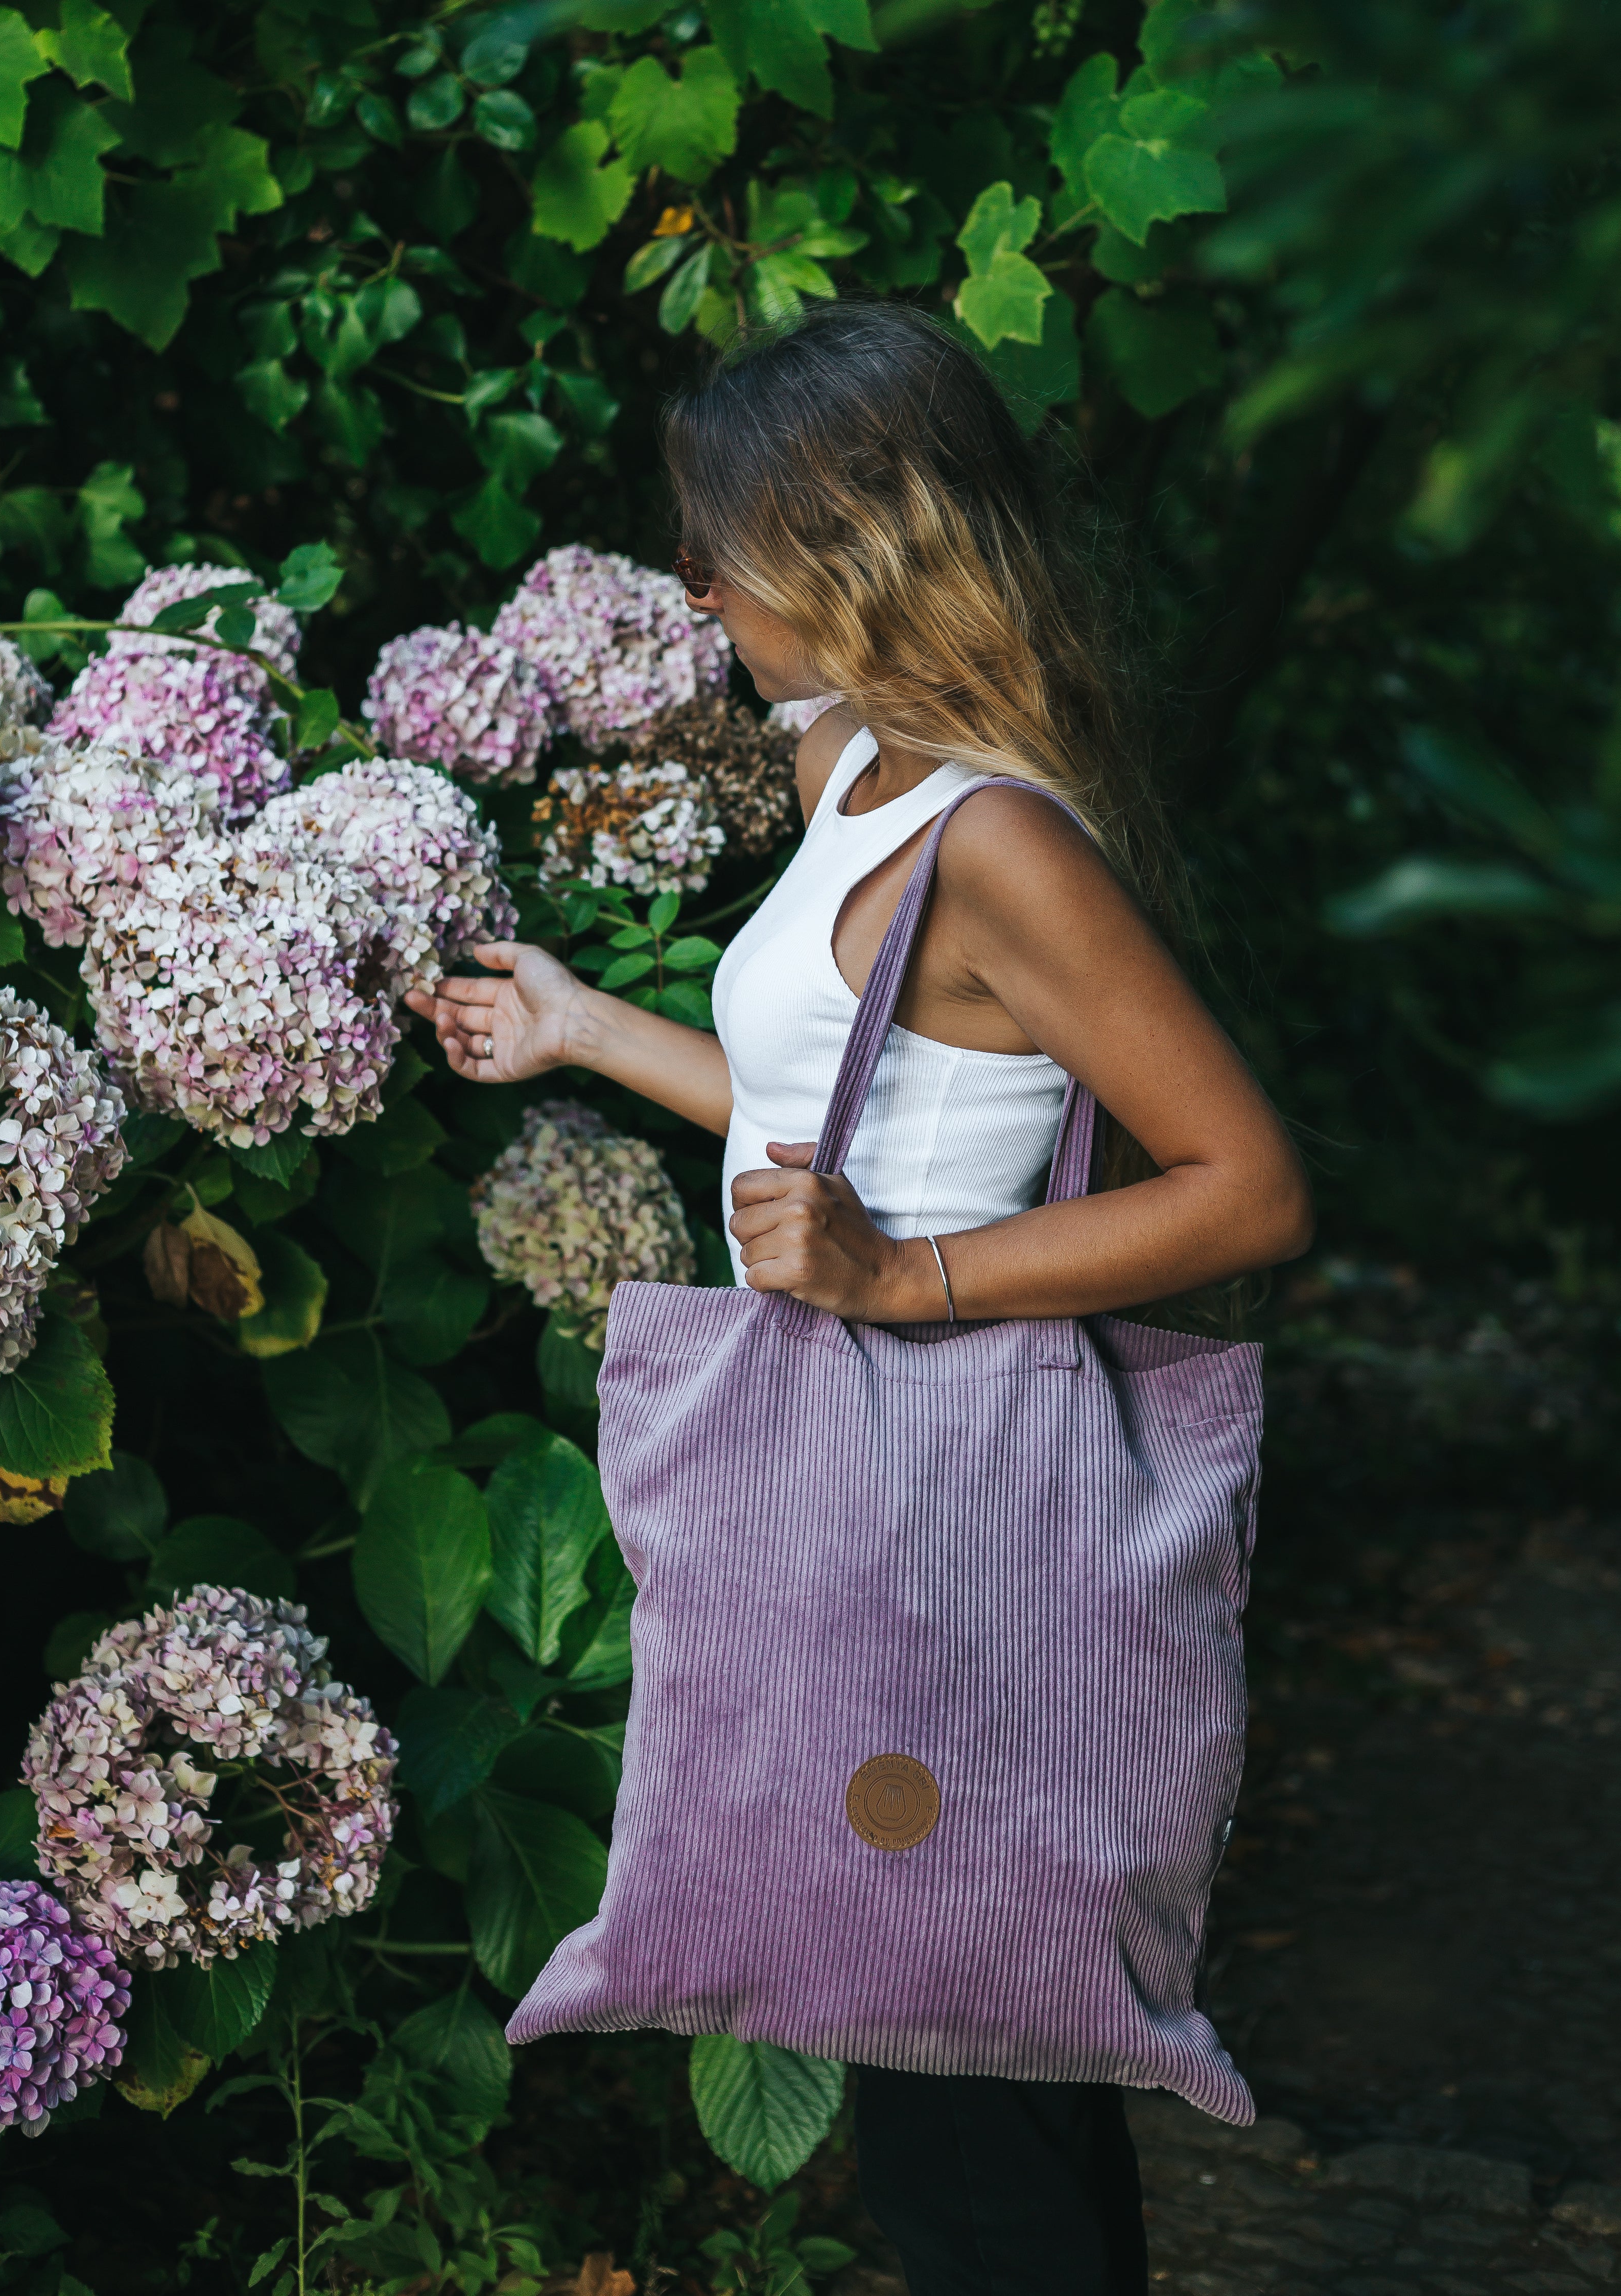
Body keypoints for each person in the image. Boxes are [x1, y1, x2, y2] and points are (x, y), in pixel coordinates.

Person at [406, 301, 1313, 2296]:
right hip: (854, 1509)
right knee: (986, 2057)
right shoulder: (859, 768)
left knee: (955, 2132)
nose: (692, 582)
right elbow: (835, 1111)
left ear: (851, 544)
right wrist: (578, 1023)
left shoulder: (993, 836)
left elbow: (1242, 1182)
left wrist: (909, 1272)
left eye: (719, 542)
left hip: (945, 1531)